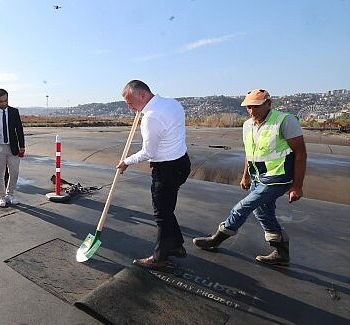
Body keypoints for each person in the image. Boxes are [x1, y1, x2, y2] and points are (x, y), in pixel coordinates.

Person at [193, 89, 307, 266]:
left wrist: (297, 186)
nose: (252, 111)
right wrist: (245, 176)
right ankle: (281, 251)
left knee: (243, 206)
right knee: (262, 211)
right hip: (257, 177)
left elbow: (300, 153)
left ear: (269, 104)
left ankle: (218, 237)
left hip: (278, 177)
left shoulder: (284, 120)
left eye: (256, 106)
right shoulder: (248, 125)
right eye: (248, 107)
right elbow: (250, 153)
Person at [116, 80, 191, 269]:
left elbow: (148, 152)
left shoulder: (151, 117)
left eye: (130, 102)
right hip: (182, 163)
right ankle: (176, 246)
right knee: (166, 209)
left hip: (166, 169)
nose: (129, 107)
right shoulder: (172, 103)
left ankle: (159, 258)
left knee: (161, 214)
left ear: (142, 95)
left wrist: (126, 162)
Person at [0, 89, 25, 208]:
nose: (4, 103)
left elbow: (19, 130)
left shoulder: (14, 112)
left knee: (14, 173)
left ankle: (10, 195)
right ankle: (1, 197)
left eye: (6, 100)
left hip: (13, 147)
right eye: (1, 101)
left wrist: (22, 146)